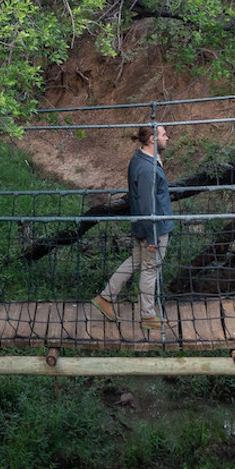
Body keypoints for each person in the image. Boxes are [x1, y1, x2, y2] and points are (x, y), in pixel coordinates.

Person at [92, 124, 175, 330]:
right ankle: (147, 315)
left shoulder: (140, 158)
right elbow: (148, 205)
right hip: (153, 227)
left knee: (136, 262)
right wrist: (153, 238)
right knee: (150, 269)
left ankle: (105, 298)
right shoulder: (147, 169)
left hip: (141, 224)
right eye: (164, 135)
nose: (168, 138)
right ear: (152, 140)